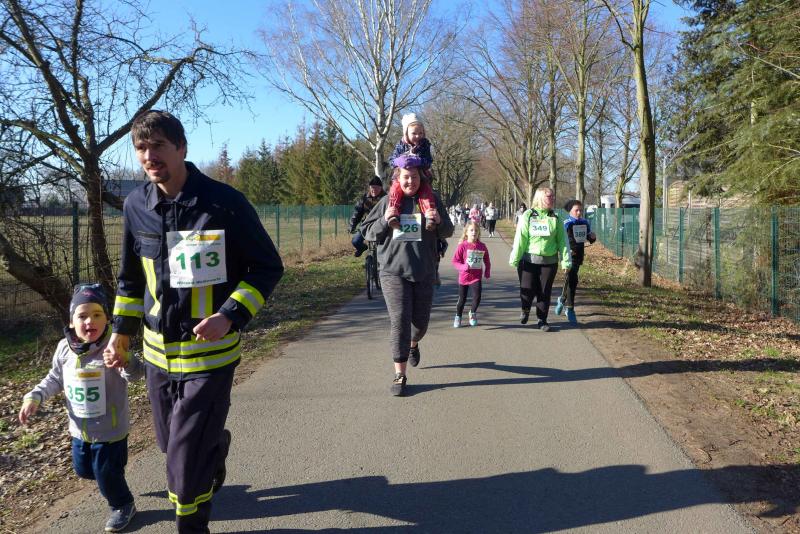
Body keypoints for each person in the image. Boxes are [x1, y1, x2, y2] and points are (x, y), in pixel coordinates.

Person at [104, 110, 284, 533]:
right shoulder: (135, 206)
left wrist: (230, 315)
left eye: (158, 146)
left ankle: (192, 524)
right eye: (141, 148)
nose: (149, 156)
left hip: (209, 357)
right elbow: (130, 280)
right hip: (158, 360)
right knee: (172, 447)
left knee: (184, 471)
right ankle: (214, 446)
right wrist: (120, 334)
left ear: (182, 148)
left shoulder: (224, 203)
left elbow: (267, 267)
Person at [19, 283, 143, 532]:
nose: (90, 321)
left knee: (105, 474)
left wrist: (125, 360)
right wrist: (35, 397)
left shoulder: (113, 346)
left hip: (110, 430)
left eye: (97, 314)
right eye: (82, 315)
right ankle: (112, 473)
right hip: (79, 430)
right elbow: (54, 379)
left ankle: (123, 504)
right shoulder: (64, 349)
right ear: (71, 321)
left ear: (107, 319)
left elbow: (136, 374)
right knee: (84, 470)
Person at [361, 154, 454, 396]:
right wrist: (385, 221)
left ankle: (413, 344)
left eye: (414, 177)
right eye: (405, 177)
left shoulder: (432, 200)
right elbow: (367, 232)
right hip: (393, 270)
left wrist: (439, 221)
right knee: (400, 319)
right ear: (398, 178)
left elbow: (449, 230)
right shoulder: (388, 202)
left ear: (421, 178)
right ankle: (399, 374)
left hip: (424, 270)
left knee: (420, 325)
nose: (410, 181)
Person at [509, 188, 570, 331]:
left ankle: (542, 320)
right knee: (527, 289)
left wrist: (566, 261)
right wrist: (515, 258)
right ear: (540, 198)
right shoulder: (528, 215)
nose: (552, 198)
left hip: (549, 262)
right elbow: (520, 238)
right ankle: (525, 310)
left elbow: (563, 241)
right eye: (549, 196)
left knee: (544, 291)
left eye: (553, 196)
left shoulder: (556, 217)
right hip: (528, 261)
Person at [388, 113, 437, 231]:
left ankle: (429, 216)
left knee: (426, 191)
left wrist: (419, 161)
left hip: (421, 176)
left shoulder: (424, 145)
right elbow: (391, 160)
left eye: (421, 133)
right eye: (414, 133)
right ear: (406, 133)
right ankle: (393, 214)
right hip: (401, 176)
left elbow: (429, 161)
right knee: (395, 190)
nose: (418, 136)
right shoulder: (400, 146)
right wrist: (398, 161)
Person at [555, 199, 597, 323]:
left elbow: (588, 237)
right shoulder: (566, 224)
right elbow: (561, 240)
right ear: (570, 211)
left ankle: (562, 299)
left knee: (570, 280)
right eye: (576, 210)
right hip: (568, 256)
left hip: (579, 256)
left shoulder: (584, 222)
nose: (579, 213)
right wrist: (567, 250)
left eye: (580, 210)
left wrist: (592, 237)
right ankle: (570, 309)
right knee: (572, 280)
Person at [451, 221, 491, 328]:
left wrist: (487, 271)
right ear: (466, 232)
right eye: (471, 230)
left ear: (478, 233)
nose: (474, 232)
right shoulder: (462, 246)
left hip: (476, 277)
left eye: (476, 230)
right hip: (464, 277)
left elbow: (487, 260)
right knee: (462, 300)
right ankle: (458, 316)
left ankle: (472, 313)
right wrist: (463, 267)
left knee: (477, 297)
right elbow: (455, 261)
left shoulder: (482, 246)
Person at [349, 176, 386, 257]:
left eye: (376, 188)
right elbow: (357, 213)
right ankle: (362, 248)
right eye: (372, 188)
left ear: (381, 188)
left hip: (381, 226)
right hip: (366, 225)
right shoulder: (364, 198)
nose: (374, 190)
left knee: (382, 247)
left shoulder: (385, 198)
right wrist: (352, 225)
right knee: (355, 241)